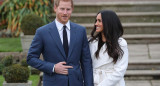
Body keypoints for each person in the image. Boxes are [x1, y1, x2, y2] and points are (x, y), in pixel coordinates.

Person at [27, 0, 94, 86]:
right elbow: (31, 58)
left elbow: (86, 61)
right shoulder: (42, 32)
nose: (65, 13)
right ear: (55, 8)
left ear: (72, 9)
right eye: (62, 9)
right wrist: (53, 67)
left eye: (68, 9)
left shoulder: (81, 31)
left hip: (76, 83)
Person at [89, 10, 129, 86]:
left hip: (113, 83)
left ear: (108, 23)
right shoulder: (92, 42)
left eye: (99, 21)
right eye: (96, 20)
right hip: (94, 81)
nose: (96, 24)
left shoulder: (121, 43)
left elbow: (120, 70)